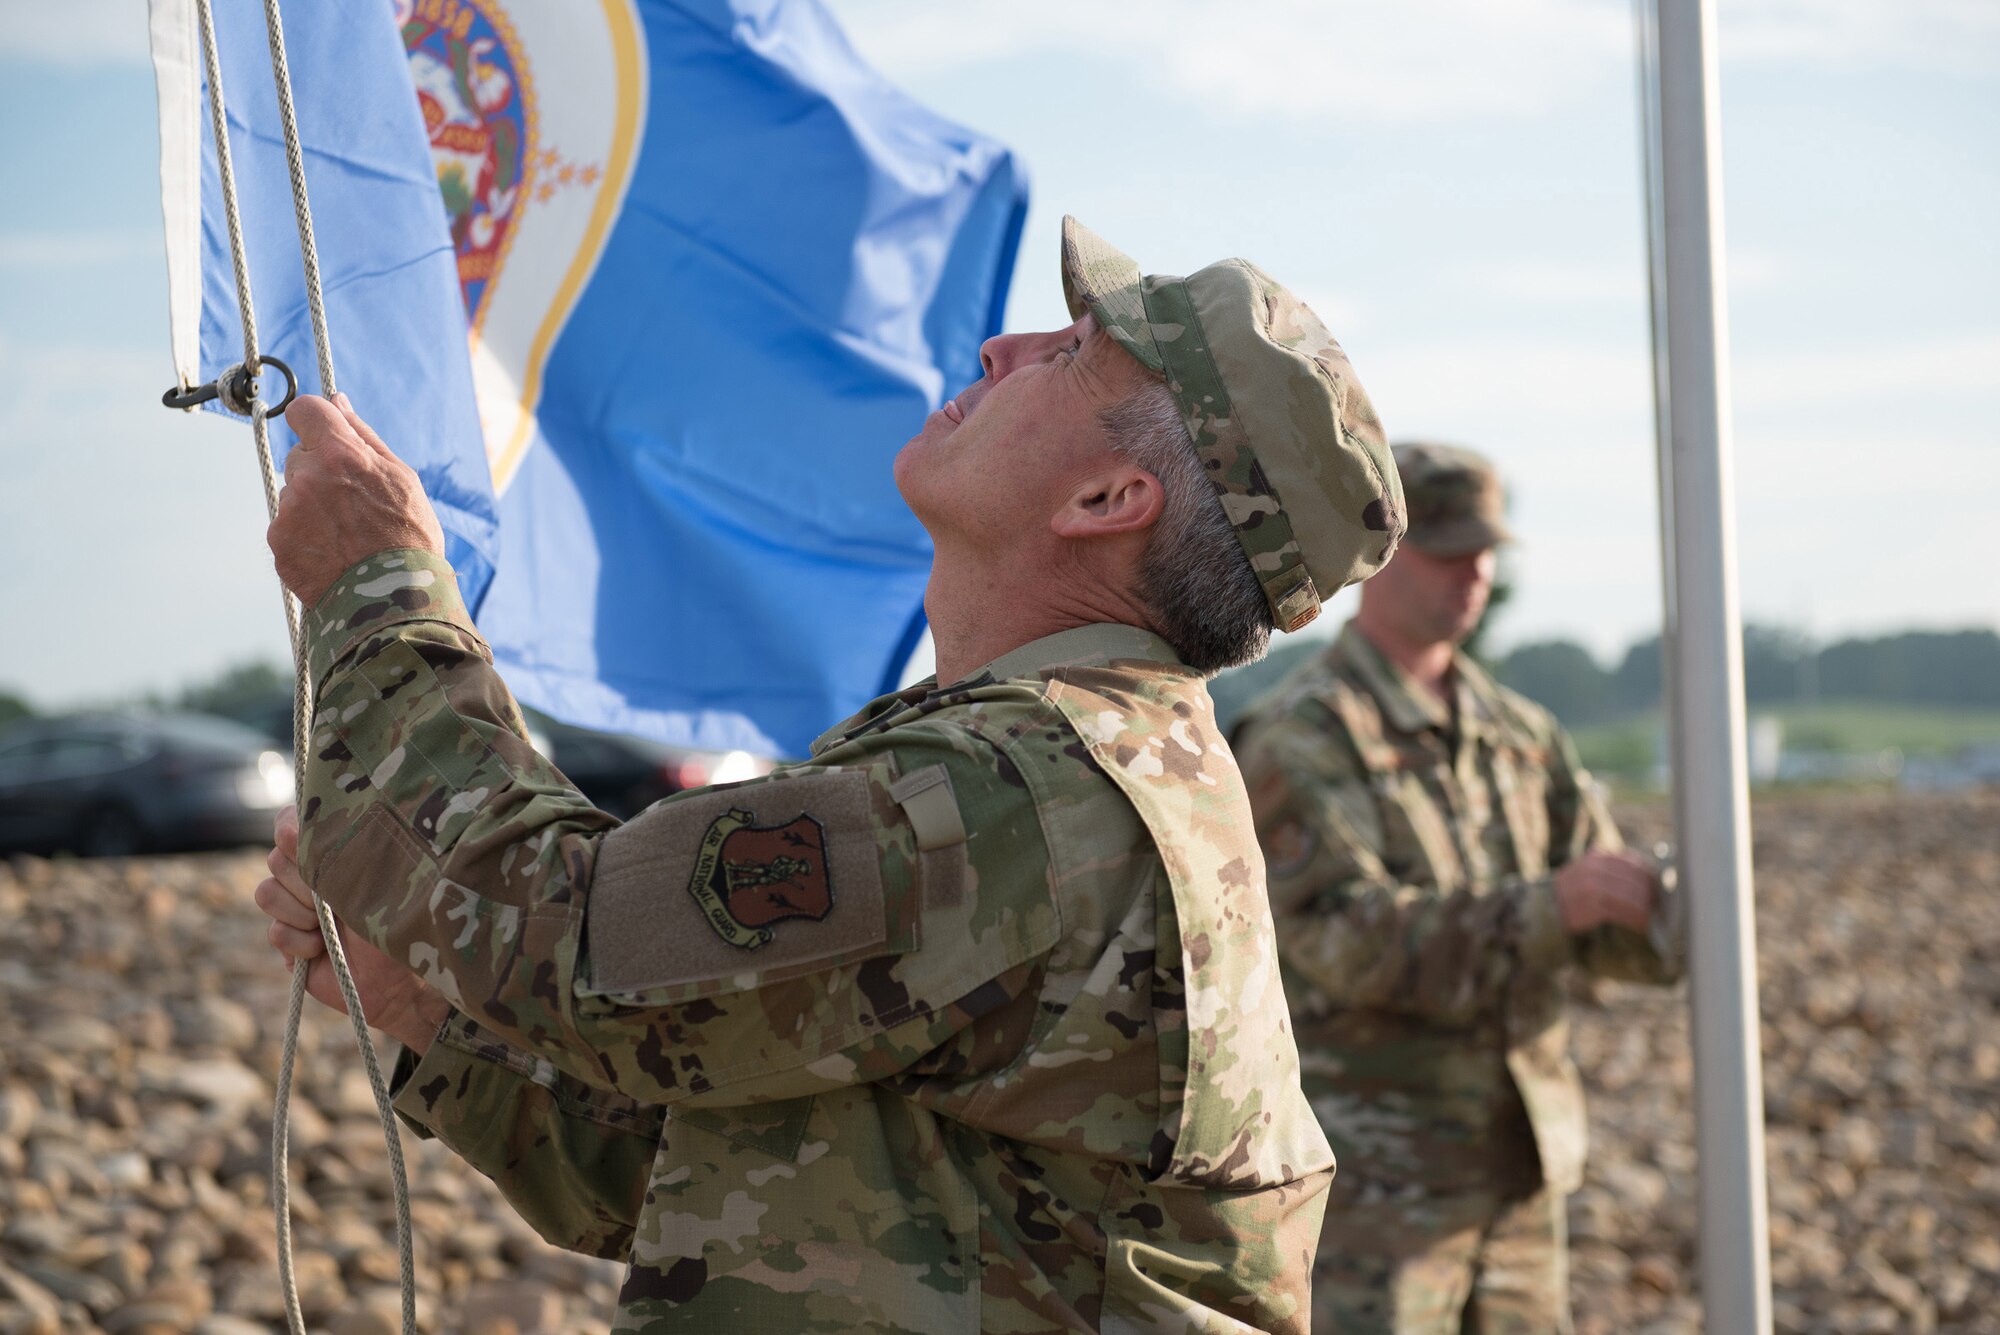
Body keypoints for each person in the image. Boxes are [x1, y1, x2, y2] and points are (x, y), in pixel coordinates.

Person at [251, 216, 1407, 1332]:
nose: (1001, 347)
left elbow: (555, 936)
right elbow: (722, 1177)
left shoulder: (1023, 789)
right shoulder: (1085, 763)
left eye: (1069, 354)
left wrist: (380, 584)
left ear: (1108, 501)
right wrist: (420, 1007)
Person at [1230, 444, 1683, 1335]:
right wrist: (1556, 906)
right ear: (1381, 555)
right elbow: (1342, 942)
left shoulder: (1521, 734)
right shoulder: (1303, 738)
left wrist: (1669, 913)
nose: (1476, 573)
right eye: (1450, 550)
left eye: (1488, 552)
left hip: (1519, 1173)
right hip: (1377, 1194)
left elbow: (1608, 931)